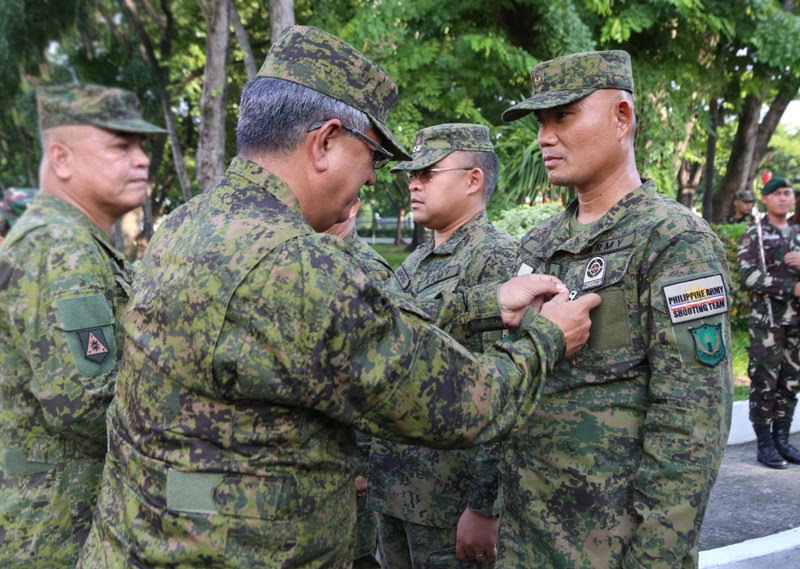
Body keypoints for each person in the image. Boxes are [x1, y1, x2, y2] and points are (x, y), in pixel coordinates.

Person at [77, 26, 600, 568]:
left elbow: (346, 332)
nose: (375, 178)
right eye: (372, 152)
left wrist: (484, 303)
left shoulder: (187, 225)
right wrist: (547, 337)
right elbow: (469, 405)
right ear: (325, 141)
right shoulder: (298, 265)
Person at [498, 50, 733, 569]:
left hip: (612, 547)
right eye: (541, 122)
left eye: (563, 116)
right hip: (524, 538)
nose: (545, 137)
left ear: (621, 118)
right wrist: (488, 504)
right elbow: (516, 388)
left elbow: (692, 426)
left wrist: (656, 556)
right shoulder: (538, 246)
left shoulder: (673, 241)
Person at [0, 83, 164, 567]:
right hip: (59, 532)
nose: (141, 160)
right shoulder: (61, 249)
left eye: (142, 147)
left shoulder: (73, 240)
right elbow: (87, 407)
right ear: (62, 159)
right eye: (120, 146)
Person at [368, 123, 515, 568]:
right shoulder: (414, 264)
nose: (414, 182)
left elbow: (506, 389)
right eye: (412, 174)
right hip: (394, 493)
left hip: (450, 504)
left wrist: (485, 504)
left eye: (429, 172)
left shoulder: (496, 259)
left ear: (473, 179)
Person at [325, 195, 400, 569]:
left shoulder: (369, 270)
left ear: (351, 206)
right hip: (322, 460)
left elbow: (380, 378)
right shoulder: (311, 256)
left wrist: (365, 463)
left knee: (358, 557)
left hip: (354, 464)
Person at [738, 176, 800, 469]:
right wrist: (789, 288)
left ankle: (782, 441)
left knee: (791, 381)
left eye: (788, 193)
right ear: (765, 198)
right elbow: (748, 275)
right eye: (777, 193)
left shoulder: (798, 234)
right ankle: (764, 445)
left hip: (796, 323)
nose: (784, 198)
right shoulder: (756, 234)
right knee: (764, 382)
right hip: (768, 323)